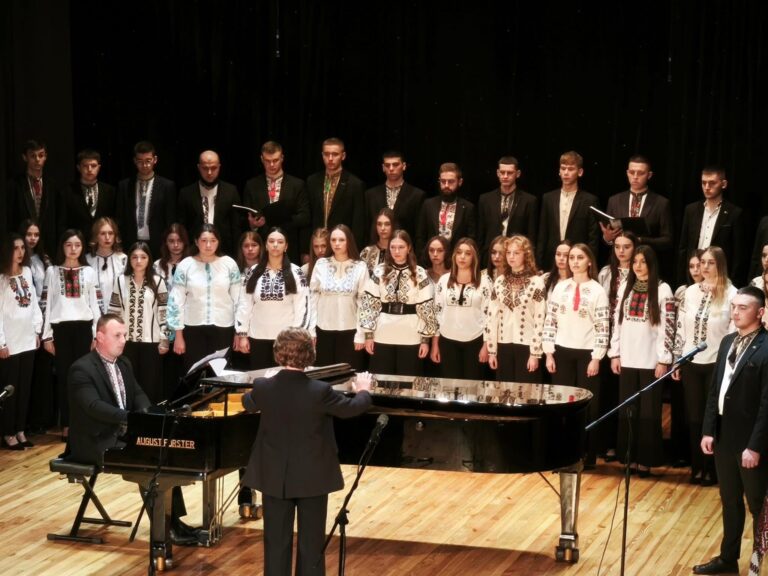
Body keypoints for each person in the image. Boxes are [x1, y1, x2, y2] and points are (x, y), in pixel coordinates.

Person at [241, 327, 372, 576]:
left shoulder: (263, 386)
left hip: (274, 477)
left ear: (278, 354)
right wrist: (364, 390)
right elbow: (352, 408)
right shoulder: (319, 391)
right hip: (312, 478)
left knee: (275, 545)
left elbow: (248, 403)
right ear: (310, 355)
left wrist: (267, 380)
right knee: (311, 545)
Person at [66, 313, 196, 545]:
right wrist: (132, 418)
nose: (123, 340)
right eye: (117, 335)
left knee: (164, 451)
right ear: (99, 337)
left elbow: (137, 394)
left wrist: (149, 416)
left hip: (122, 433)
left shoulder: (123, 363)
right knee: (149, 459)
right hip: (94, 440)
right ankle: (164, 530)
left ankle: (174, 522)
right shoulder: (81, 369)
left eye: (125, 335)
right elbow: (93, 406)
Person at [692, 287, 768, 576]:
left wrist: (755, 446)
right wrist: (708, 429)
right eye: (734, 306)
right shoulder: (727, 342)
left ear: (760, 312)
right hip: (724, 435)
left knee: (758, 505)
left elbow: (767, 404)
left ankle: (758, 564)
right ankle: (728, 559)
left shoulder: (766, 347)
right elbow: (715, 389)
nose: (735, 312)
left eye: (743, 307)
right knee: (730, 500)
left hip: (750, 440)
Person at [673, 246, 738, 485]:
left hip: (717, 363)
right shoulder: (690, 292)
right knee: (694, 416)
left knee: (713, 417)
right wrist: (678, 359)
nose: (705, 267)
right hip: (692, 361)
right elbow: (681, 328)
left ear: (720, 264)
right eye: (703, 262)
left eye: (711, 262)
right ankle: (697, 467)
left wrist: (730, 365)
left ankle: (713, 469)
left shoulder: (732, 293)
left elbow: (734, 333)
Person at [608, 246, 675, 476]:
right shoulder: (626, 287)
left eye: (643, 262)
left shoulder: (663, 289)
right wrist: (615, 353)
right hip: (627, 357)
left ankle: (646, 459)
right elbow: (617, 323)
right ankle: (629, 457)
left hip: (650, 359)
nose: (637, 266)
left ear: (651, 264)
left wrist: (664, 359)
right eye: (635, 261)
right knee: (628, 409)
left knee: (648, 412)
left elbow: (667, 327)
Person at [542, 243, 609, 465]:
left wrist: (596, 357)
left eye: (580, 257)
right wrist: (549, 353)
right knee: (561, 402)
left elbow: (602, 327)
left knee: (587, 405)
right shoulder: (561, 288)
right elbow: (550, 321)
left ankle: (586, 454)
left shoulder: (597, 291)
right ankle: (562, 452)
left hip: (587, 353)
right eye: (571, 257)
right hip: (562, 351)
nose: (574, 262)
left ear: (589, 261)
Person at [41, 229, 102, 440]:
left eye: (77, 245)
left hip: (84, 330)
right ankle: (67, 424)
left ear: (83, 247)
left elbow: (95, 305)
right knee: (65, 378)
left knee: (85, 378)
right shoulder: (52, 271)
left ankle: (84, 422)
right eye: (69, 245)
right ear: (62, 247)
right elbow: (47, 304)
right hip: (61, 330)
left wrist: (96, 335)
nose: (73, 249)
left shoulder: (89, 272)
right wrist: (47, 336)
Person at [359, 230, 438, 376]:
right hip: (383, 333)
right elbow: (369, 303)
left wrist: (425, 340)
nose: (396, 251)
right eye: (393, 247)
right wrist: (368, 336)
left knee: (408, 381)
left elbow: (426, 307)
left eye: (401, 247)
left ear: (409, 248)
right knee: (381, 380)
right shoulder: (379, 271)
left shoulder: (419, 273)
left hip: (411, 335)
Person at [167, 224, 241, 371]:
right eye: (204, 240)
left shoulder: (229, 264)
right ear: (196, 241)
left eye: (213, 240)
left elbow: (239, 300)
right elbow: (176, 301)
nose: (208, 245)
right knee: (194, 373)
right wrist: (178, 335)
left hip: (223, 327)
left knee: (219, 374)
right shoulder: (185, 265)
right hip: (192, 328)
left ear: (218, 242)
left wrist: (239, 332)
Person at [235, 228, 309, 369]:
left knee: (284, 379)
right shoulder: (254, 271)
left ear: (286, 246)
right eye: (271, 241)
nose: (275, 245)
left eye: (280, 242)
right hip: (257, 336)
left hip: (286, 340)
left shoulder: (296, 272)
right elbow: (244, 304)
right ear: (266, 245)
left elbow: (302, 307)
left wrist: (297, 336)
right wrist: (242, 333)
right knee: (260, 378)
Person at [108, 242, 169, 403]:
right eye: (134, 257)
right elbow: (114, 312)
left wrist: (165, 339)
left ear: (149, 259)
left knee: (150, 386)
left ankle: (150, 418)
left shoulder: (158, 281)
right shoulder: (121, 281)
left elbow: (165, 313)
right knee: (128, 385)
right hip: (126, 343)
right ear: (129, 259)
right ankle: (129, 417)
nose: (139, 261)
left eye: (143, 257)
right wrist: (113, 339)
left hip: (152, 343)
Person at [0, 235, 42, 449]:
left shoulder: (26, 272)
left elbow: (33, 302)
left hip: (27, 339)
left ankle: (20, 430)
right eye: (15, 248)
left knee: (25, 388)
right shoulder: (1, 278)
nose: (20, 252)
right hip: (10, 342)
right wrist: (1, 342)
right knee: (11, 389)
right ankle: (7, 432)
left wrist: (37, 330)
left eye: (22, 248)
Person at [600, 155, 673, 277]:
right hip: (619, 265)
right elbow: (609, 236)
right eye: (632, 172)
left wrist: (641, 240)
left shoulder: (661, 203)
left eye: (640, 173)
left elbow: (667, 240)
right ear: (627, 173)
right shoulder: (614, 200)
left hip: (646, 266)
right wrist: (607, 239)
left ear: (649, 175)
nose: (635, 176)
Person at [486, 235, 546, 382]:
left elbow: (540, 318)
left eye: (516, 253)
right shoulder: (499, 282)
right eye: (508, 252)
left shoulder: (536, 282)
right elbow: (492, 317)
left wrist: (534, 353)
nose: (511, 256)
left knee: (526, 391)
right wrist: (492, 351)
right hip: (503, 344)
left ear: (526, 255)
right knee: (504, 390)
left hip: (526, 345)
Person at [432, 238, 492, 379]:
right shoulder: (444, 280)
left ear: (474, 257)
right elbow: (437, 313)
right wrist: (435, 344)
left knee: (472, 387)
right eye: (459, 252)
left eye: (468, 253)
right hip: (447, 340)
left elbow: (489, 316)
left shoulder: (484, 282)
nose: (462, 257)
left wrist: (486, 345)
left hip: (475, 341)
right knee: (448, 386)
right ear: (454, 255)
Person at [309, 225, 368, 370]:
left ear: (349, 241)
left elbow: (364, 302)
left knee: (348, 377)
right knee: (323, 375)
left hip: (350, 331)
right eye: (333, 240)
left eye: (341, 240)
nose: (337, 243)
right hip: (323, 330)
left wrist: (361, 334)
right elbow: (312, 299)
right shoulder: (321, 264)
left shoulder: (360, 266)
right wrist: (311, 330)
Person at [242, 141, 309, 264]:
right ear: (262, 159)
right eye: (267, 161)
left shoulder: (297, 185)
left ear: (282, 158)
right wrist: (254, 225)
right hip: (261, 247)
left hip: (289, 247)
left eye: (275, 160)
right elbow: (245, 217)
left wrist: (281, 220)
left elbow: (305, 217)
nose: (271, 164)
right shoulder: (252, 185)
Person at [678, 165, 744, 287]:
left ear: (723, 184)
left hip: (719, 277)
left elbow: (737, 254)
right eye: (704, 183)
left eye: (712, 183)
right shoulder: (691, 210)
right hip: (694, 274)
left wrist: (733, 283)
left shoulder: (734, 213)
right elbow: (684, 247)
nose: (707, 187)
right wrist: (682, 280)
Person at [536, 151, 599, 270]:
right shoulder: (548, 198)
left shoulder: (589, 200)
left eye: (570, 169)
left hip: (578, 260)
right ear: (559, 171)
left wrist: (590, 263)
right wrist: (539, 264)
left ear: (580, 172)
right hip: (551, 259)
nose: (566, 172)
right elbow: (542, 234)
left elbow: (593, 237)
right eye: (563, 168)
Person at [116, 140, 177, 257]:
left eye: (148, 161)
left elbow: (170, 218)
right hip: (131, 241)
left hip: (159, 243)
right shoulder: (124, 186)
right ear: (135, 161)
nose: (144, 165)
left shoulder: (167, 186)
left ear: (155, 160)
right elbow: (120, 217)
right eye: (140, 161)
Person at [177, 150, 242, 256]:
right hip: (194, 251)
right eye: (205, 168)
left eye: (214, 168)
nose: (209, 172)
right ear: (199, 167)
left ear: (219, 167)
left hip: (224, 250)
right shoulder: (186, 193)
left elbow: (236, 227)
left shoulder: (231, 191)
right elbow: (182, 227)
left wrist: (237, 254)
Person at [306, 137, 366, 251]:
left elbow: (358, 222)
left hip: (343, 246)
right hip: (317, 245)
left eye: (335, 154)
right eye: (326, 154)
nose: (330, 158)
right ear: (322, 155)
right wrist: (306, 251)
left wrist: (354, 250)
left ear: (343, 156)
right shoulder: (312, 181)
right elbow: (308, 217)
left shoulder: (354, 184)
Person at [477, 156, 538, 263]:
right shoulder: (485, 199)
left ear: (517, 174)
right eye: (502, 172)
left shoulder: (529, 201)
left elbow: (531, 235)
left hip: (517, 257)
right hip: (490, 256)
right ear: (497, 173)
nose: (505, 176)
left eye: (509, 173)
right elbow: (481, 233)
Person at [5, 139, 59, 256]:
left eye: (41, 155)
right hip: (21, 246)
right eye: (33, 156)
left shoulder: (52, 185)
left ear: (45, 157)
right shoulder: (14, 185)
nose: (37, 159)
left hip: (47, 247)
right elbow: (9, 218)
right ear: (25, 157)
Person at [364, 150, 425, 241]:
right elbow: (366, 228)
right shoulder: (371, 195)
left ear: (404, 166)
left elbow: (419, 231)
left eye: (395, 164)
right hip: (377, 246)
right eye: (387, 165)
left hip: (405, 246)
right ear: (383, 167)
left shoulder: (416, 195)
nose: (391, 168)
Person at [416, 162, 476, 255]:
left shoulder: (468, 208)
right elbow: (420, 237)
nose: (446, 185)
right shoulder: (428, 205)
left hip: (457, 259)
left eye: (451, 181)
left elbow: (470, 239)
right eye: (443, 181)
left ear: (460, 182)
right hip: (431, 258)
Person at [60, 149, 117, 238]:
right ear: (79, 168)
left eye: (93, 166)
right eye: (85, 166)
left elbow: (114, 220)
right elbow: (62, 223)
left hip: (103, 241)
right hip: (77, 242)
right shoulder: (67, 192)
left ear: (99, 167)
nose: (89, 169)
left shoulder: (110, 191)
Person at [86, 217, 127, 314]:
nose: (107, 237)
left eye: (111, 233)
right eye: (103, 233)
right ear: (96, 236)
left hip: (119, 314)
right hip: (93, 314)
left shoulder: (123, 259)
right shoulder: (87, 260)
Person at [359, 208, 395, 276]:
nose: (383, 228)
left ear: (393, 226)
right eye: (379, 224)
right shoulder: (367, 252)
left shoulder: (398, 251)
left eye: (387, 224)